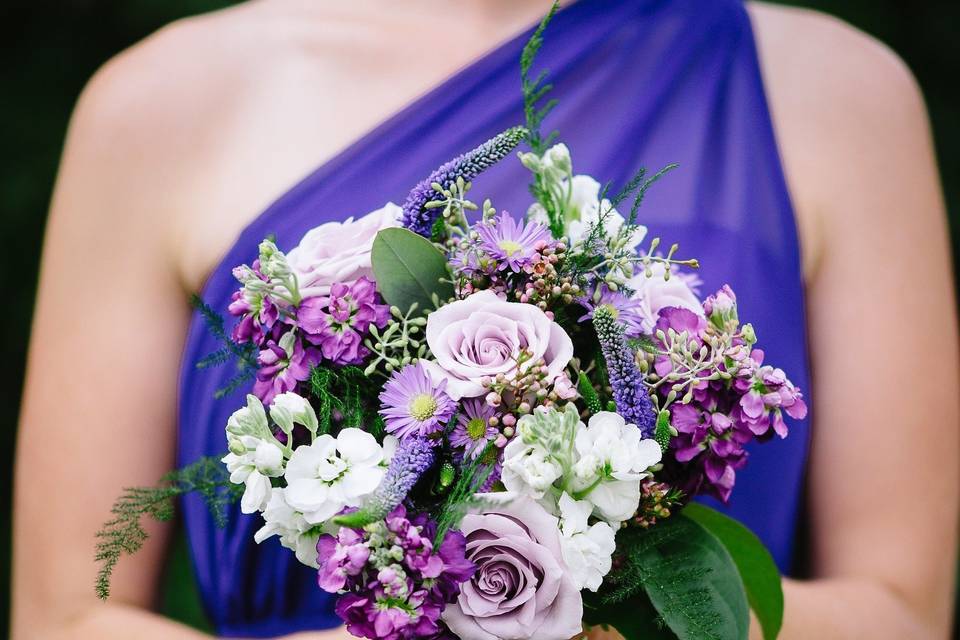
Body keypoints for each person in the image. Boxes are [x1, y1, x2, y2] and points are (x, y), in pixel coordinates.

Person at [12, 1, 957, 639]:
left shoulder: (842, 93)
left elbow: (903, 611)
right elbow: (65, 617)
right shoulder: (158, 106)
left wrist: (631, 604)